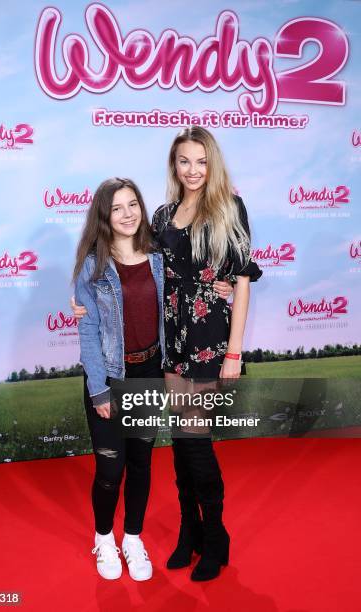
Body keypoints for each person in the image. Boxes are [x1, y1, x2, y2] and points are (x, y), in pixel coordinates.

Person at [151, 126, 262, 581]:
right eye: (184, 161)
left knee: (195, 444)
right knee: (180, 445)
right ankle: (188, 530)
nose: (193, 170)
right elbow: (143, 272)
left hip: (209, 340)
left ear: (211, 163)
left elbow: (240, 281)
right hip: (172, 341)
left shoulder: (229, 209)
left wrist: (234, 353)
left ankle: (215, 535)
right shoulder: (161, 216)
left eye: (201, 161)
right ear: (174, 165)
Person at [73, 177, 166, 581]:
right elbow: (88, 332)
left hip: (151, 373)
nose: (128, 214)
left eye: (133, 205)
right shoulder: (93, 267)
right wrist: (99, 390)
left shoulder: (160, 256)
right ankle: (105, 538)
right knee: (111, 470)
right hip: (112, 375)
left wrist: (225, 286)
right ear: (104, 216)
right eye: (117, 208)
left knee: (142, 464)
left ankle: (133, 538)